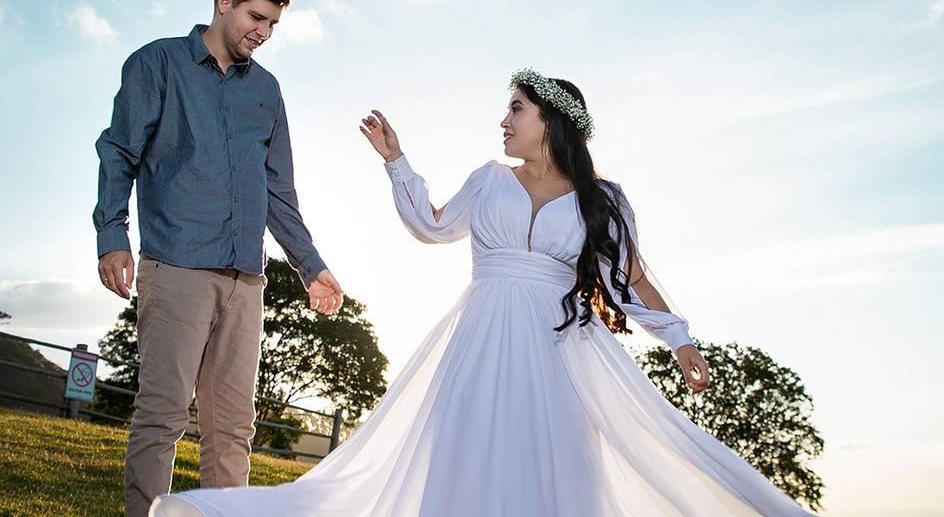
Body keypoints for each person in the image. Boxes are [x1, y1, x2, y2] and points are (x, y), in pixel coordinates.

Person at [149, 68, 816, 516]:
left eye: (516, 110)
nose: (504, 121)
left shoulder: (602, 200)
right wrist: (396, 162)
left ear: (550, 122)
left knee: (559, 473)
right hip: (480, 340)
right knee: (465, 463)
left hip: (562, 356)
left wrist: (679, 338)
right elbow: (432, 226)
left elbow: (631, 275)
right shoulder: (490, 179)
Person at [92, 0, 345, 517]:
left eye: (274, 24)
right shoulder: (157, 63)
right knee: (162, 417)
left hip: (245, 279)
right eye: (257, 17)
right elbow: (119, 150)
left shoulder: (267, 91)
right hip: (177, 265)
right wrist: (113, 235)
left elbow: (279, 191)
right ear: (224, 2)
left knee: (232, 431)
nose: (264, 32)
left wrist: (312, 266)